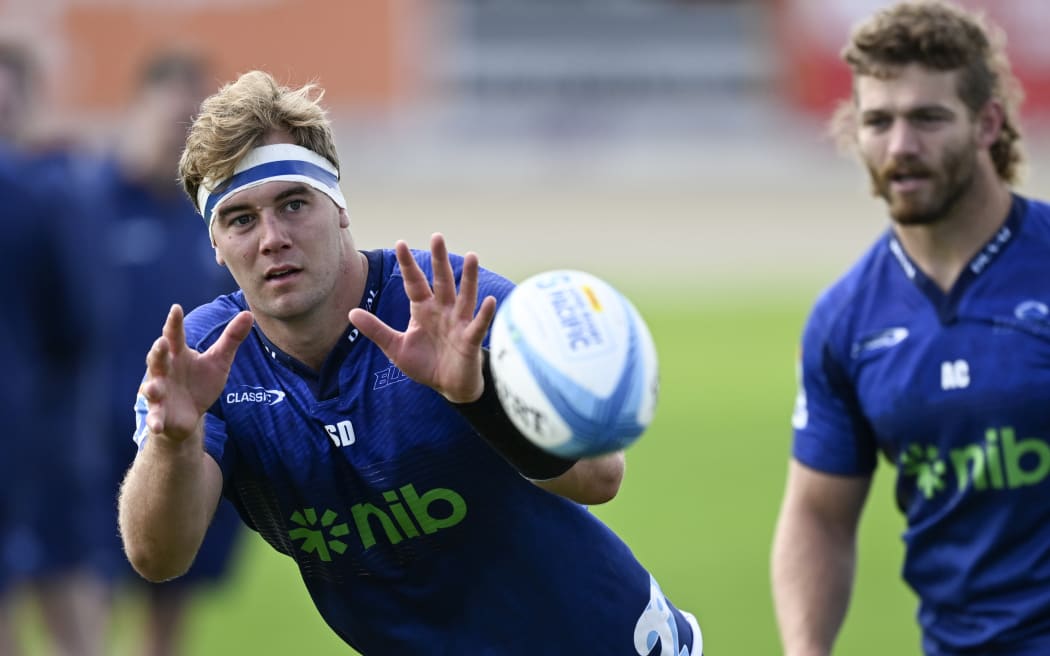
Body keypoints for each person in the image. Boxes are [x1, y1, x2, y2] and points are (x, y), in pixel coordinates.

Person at [116, 69, 703, 655]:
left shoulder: (442, 304)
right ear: (215, 243)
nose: (271, 238)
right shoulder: (208, 356)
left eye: (293, 204)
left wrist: (477, 398)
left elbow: (601, 476)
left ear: (339, 207)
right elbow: (158, 558)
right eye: (240, 219)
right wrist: (173, 442)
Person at [770, 1, 1050, 654]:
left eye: (927, 118)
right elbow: (819, 514)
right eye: (878, 121)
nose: (901, 146)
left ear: (988, 123)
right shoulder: (846, 319)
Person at [74, 50, 243, 656]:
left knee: (171, 587)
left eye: (191, 125)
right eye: (169, 119)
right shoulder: (89, 204)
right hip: (92, 438)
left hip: (188, 433)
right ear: (137, 110)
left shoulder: (216, 219)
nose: (177, 139)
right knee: (88, 598)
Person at [0, 40, 110, 656]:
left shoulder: (44, 193)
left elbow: (80, 320)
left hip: (38, 433)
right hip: (36, 425)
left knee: (65, 584)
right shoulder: (46, 194)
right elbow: (80, 320)